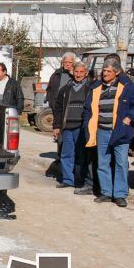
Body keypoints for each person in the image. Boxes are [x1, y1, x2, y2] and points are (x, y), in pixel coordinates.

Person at [83, 58, 134, 208]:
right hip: (101, 130)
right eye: (104, 70)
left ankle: (120, 194)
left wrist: (129, 118)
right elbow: (87, 108)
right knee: (103, 162)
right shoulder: (96, 87)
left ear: (117, 72)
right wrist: (88, 124)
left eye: (108, 71)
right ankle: (106, 192)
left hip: (120, 131)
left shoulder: (128, 86)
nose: (105, 73)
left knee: (121, 163)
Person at [52, 61, 93, 192]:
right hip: (67, 127)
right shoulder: (65, 89)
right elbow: (57, 108)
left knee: (81, 155)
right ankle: (67, 180)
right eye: (76, 72)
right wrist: (56, 126)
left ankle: (79, 181)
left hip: (82, 127)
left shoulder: (90, 88)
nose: (78, 74)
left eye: (81, 72)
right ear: (73, 72)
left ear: (86, 73)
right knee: (66, 154)